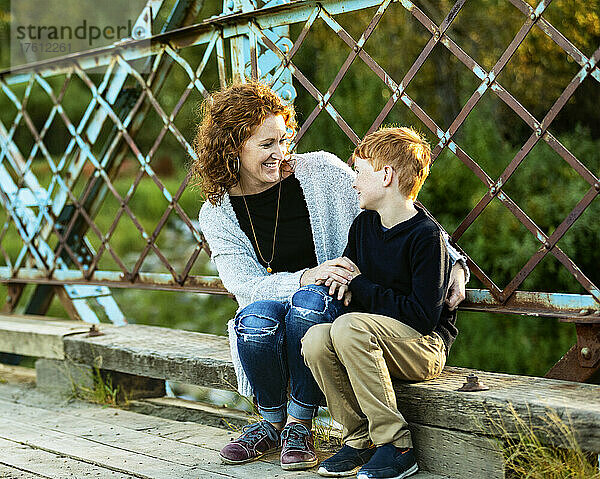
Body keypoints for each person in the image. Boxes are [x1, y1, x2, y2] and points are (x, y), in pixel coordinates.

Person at [192, 81, 467, 472]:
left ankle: (300, 427)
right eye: (266, 144)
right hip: (285, 314)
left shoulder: (318, 171)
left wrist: (454, 261)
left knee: (310, 304)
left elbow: (396, 205)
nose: (280, 154)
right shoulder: (216, 212)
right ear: (232, 147)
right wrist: (307, 275)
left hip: (332, 310)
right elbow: (247, 288)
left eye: (283, 140)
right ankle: (272, 423)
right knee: (251, 319)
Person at [302, 126, 458, 479]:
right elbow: (346, 282)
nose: (354, 181)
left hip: (423, 345)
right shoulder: (363, 226)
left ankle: (397, 444)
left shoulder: (426, 235)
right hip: (370, 338)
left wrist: (360, 285)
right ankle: (359, 440)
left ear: (386, 175)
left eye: (359, 171)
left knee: (348, 326)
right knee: (314, 339)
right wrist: (345, 283)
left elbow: (422, 316)